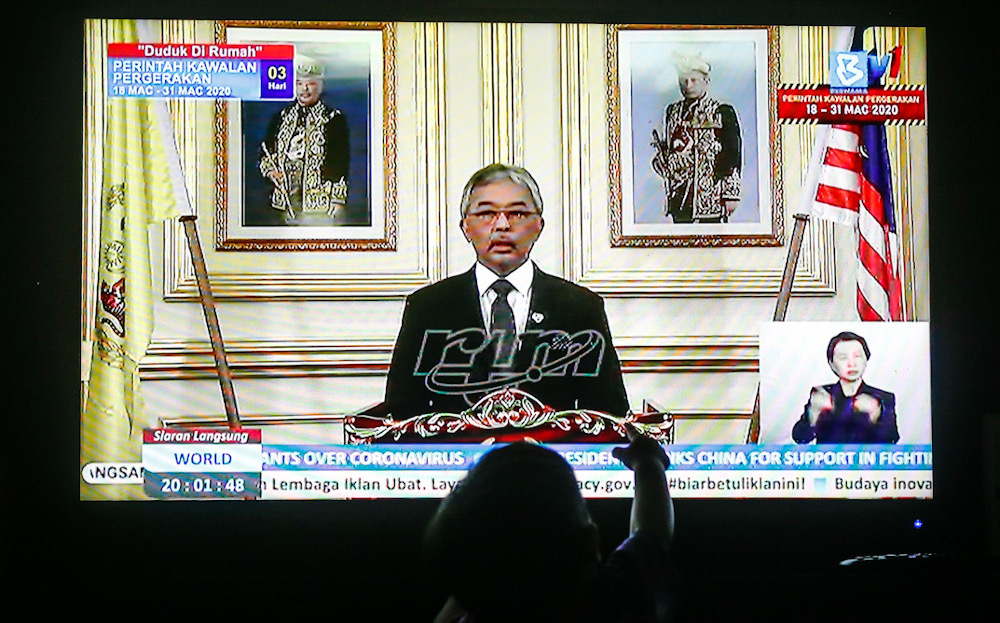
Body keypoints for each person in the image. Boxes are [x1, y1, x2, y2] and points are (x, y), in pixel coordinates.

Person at [383, 163, 630, 419]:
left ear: (538, 226)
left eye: (517, 214)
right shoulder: (427, 307)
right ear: (465, 227)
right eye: (486, 213)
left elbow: (611, 416)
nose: (502, 225)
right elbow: (400, 416)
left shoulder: (580, 306)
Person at [424, 427, 679, 622]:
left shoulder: (474, 595)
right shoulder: (614, 602)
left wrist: (471, 572)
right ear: (591, 543)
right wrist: (648, 462)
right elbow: (652, 532)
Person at [650, 51, 742, 224]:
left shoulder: (721, 111)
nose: (688, 85)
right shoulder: (672, 112)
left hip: (710, 192)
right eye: (683, 81)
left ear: (706, 81)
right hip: (679, 193)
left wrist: (731, 194)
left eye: (693, 80)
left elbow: (732, 155)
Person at [258, 54, 349, 225]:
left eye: (310, 83)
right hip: (284, 202)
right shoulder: (281, 117)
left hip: (319, 203)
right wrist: (271, 173)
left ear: (320, 86)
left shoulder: (333, 119)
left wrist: (337, 200)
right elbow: (266, 152)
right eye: (299, 83)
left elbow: (341, 163)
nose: (304, 89)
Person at [791, 331, 900, 444]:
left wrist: (875, 416)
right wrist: (814, 413)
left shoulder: (883, 398)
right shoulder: (822, 394)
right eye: (843, 358)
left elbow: (892, 440)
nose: (851, 364)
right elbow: (799, 438)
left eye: (857, 356)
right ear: (831, 364)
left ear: (866, 360)